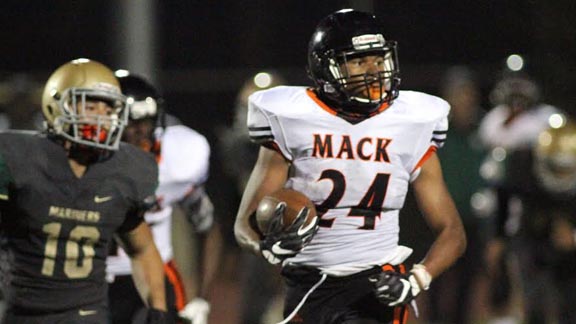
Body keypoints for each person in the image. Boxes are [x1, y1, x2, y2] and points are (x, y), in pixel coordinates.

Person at [234, 9, 466, 324]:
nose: (374, 71)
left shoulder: (411, 122)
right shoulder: (291, 118)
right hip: (307, 285)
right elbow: (244, 226)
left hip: (375, 285)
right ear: (326, 67)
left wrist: (417, 279)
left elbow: (452, 231)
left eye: (379, 59)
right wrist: (268, 248)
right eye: (359, 61)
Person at [0, 58, 167, 324]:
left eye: (108, 108)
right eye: (90, 106)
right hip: (20, 312)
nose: (101, 117)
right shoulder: (18, 159)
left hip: (85, 314)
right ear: (57, 106)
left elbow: (143, 248)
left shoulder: (122, 171)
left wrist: (158, 309)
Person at [106, 72, 220, 324]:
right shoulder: (88, 162)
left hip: (156, 274)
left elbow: (207, 228)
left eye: (145, 123)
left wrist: (201, 297)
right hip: (94, 278)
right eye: (130, 124)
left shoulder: (178, 158)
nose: (139, 133)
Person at [477, 72, 560, 324]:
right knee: (500, 271)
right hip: (500, 207)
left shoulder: (548, 118)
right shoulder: (493, 121)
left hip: (540, 208)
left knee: (541, 275)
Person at [426, 66, 486, 324]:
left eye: (467, 93)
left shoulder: (484, 131)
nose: (464, 99)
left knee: (468, 283)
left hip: (473, 221)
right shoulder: (436, 131)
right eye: (458, 93)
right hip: (440, 221)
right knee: (435, 281)